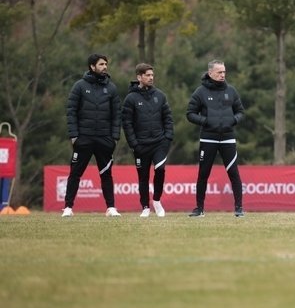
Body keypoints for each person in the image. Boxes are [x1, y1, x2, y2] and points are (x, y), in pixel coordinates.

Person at [62, 53, 122, 217]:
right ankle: (68, 208)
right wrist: (74, 136)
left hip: (104, 139)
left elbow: (117, 115)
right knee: (75, 173)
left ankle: (111, 208)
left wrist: (114, 137)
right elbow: (71, 112)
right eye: (101, 64)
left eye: (106, 64)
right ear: (92, 66)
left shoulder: (111, 88)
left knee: (106, 174)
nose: (105, 67)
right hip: (84, 138)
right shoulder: (79, 86)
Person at [186, 60, 245, 218]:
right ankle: (199, 209)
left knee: (234, 173)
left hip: (228, 139)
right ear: (210, 73)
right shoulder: (200, 92)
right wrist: (205, 121)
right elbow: (190, 114)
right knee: (203, 174)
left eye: (224, 72)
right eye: (219, 72)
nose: (222, 75)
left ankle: (239, 208)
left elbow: (240, 111)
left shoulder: (231, 91)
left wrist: (233, 120)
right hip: (208, 139)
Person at [121, 63, 174, 218]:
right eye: (147, 75)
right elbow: (127, 123)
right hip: (140, 146)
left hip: (159, 143)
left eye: (152, 75)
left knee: (160, 169)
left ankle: (157, 201)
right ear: (139, 77)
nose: (151, 78)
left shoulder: (160, 95)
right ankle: (145, 206)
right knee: (143, 177)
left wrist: (168, 138)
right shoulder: (130, 98)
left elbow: (168, 119)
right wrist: (134, 144)